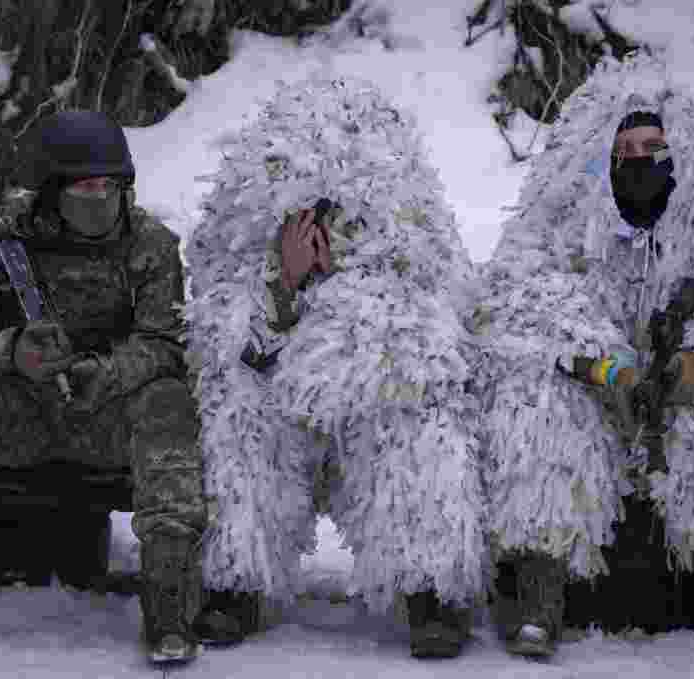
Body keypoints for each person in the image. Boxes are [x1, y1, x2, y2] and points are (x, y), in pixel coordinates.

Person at [471, 53, 694, 660]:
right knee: (539, 413)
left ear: (678, 149)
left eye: (653, 145)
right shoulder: (559, 216)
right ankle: (540, 594)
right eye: (626, 147)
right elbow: (523, 301)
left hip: (683, 384)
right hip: (595, 385)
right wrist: (602, 367)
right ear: (602, 152)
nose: (639, 159)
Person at [185, 76, 487, 658]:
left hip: (372, 405)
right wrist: (286, 290)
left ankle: (431, 593)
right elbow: (228, 346)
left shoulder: (417, 246)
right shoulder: (243, 250)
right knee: (238, 415)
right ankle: (236, 583)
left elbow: (443, 332)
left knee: (420, 419)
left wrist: (356, 312)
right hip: (279, 409)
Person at [0, 110, 206, 664]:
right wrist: (9, 351)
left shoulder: (150, 244)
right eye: (82, 186)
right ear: (48, 189)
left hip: (106, 420)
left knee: (170, 400)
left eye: (109, 186)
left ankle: (168, 606)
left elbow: (167, 345)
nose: (99, 199)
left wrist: (107, 371)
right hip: (16, 417)